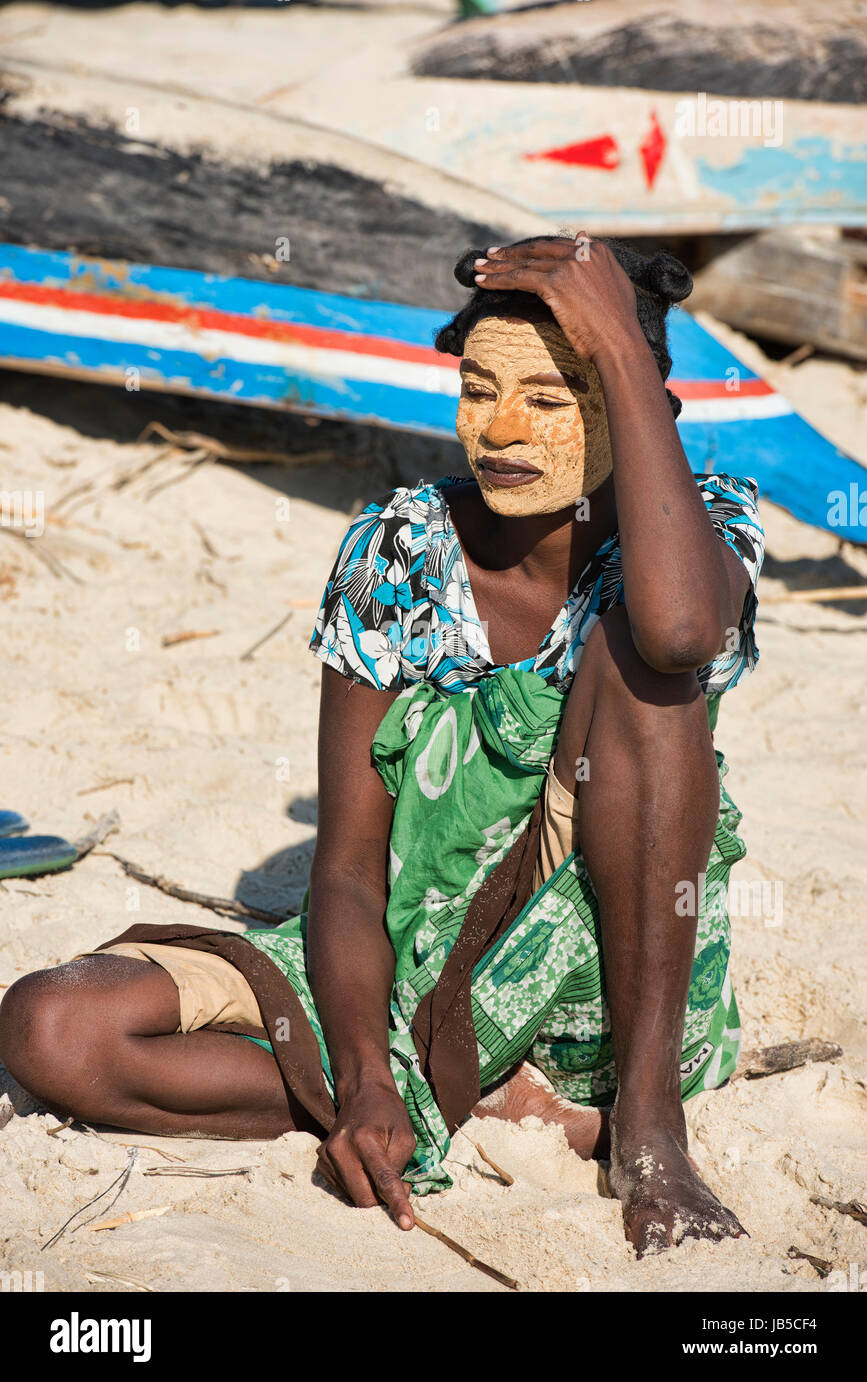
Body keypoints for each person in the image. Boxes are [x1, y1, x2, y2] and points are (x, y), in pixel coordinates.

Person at [0, 235, 765, 1259]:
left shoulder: (701, 532)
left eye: (551, 396)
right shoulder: (399, 553)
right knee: (53, 1026)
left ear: (641, 405)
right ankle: (454, 1093)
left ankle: (645, 1131)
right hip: (410, 954)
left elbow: (680, 634)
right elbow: (353, 871)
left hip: (604, 968)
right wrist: (362, 1077)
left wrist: (624, 350)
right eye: (479, 387)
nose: (501, 429)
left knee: (647, 667)